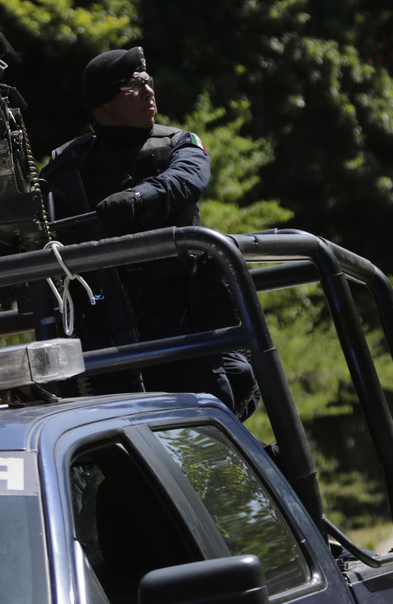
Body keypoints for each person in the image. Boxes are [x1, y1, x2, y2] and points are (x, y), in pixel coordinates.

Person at [38, 46, 256, 418]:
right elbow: (38, 225)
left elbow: (186, 180)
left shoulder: (179, 144)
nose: (148, 92)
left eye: (147, 82)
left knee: (215, 405)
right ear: (102, 106)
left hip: (181, 313)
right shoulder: (68, 165)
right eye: (132, 86)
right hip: (102, 321)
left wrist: (139, 198)